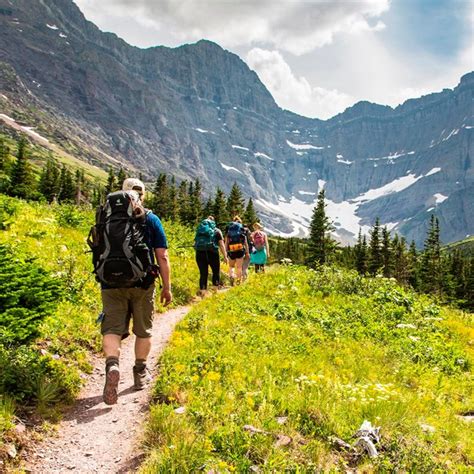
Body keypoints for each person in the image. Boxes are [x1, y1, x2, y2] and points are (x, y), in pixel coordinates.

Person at [100, 178, 172, 405]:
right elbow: (162, 256)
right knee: (143, 329)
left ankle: (112, 364)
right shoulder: (149, 218)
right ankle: (140, 372)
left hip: (110, 282)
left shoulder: (105, 215)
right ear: (142, 194)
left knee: (111, 327)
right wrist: (167, 287)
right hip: (142, 283)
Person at [194, 216, 228, 296]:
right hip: (213, 253)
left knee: (203, 273)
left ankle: (203, 293)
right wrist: (225, 256)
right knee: (215, 272)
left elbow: (195, 244)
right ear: (213, 223)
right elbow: (221, 245)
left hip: (200, 253)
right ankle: (214, 292)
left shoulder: (199, 230)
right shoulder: (217, 231)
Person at [225, 215, 249, 285]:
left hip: (231, 249)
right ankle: (238, 281)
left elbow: (226, 242)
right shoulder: (242, 229)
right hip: (240, 249)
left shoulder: (229, 229)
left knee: (231, 266)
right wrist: (247, 252)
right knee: (239, 267)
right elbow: (246, 243)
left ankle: (232, 276)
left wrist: (226, 252)